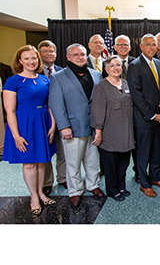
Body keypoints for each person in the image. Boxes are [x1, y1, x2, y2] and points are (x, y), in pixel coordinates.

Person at [3, 45, 57, 216]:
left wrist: (53, 125)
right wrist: (16, 135)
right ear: (20, 61)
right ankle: (33, 196)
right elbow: (10, 111)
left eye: (33, 58)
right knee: (29, 162)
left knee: (42, 161)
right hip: (24, 124)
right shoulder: (13, 81)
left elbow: (50, 104)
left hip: (43, 121)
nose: (31, 61)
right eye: (26, 58)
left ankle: (41, 192)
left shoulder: (44, 79)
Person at [49, 43, 104, 207]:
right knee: (73, 162)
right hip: (71, 127)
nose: (80, 57)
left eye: (82, 54)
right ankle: (75, 191)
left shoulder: (96, 74)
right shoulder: (58, 77)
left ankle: (93, 184)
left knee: (93, 159)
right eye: (76, 55)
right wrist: (63, 126)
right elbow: (56, 104)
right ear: (68, 57)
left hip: (93, 125)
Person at [126, 34, 160, 197]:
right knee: (143, 152)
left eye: (154, 44)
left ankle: (155, 177)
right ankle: (144, 183)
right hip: (144, 118)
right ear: (141, 47)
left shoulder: (159, 63)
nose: (152, 47)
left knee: (157, 149)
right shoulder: (135, 65)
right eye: (148, 44)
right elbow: (136, 95)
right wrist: (152, 115)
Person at [91, 56, 135, 201]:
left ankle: (121, 186)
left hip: (126, 131)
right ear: (106, 69)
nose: (116, 68)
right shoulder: (101, 86)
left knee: (124, 162)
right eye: (112, 66)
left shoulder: (125, 83)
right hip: (109, 131)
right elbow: (97, 111)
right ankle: (112, 190)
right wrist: (98, 132)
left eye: (118, 65)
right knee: (111, 164)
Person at [38, 40, 67, 195]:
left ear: (56, 54)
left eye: (51, 51)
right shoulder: (34, 72)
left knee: (63, 150)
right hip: (42, 117)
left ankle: (63, 178)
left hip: (60, 115)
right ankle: (47, 182)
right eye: (45, 51)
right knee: (46, 151)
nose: (48, 54)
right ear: (40, 54)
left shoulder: (61, 71)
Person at [113, 35, 139, 183]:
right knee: (118, 144)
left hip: (135, 110)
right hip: (117, 112)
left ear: (130, 47)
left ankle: (137, 171)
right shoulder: (108, 63)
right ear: (115, 47)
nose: (123, 47)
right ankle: (117, 175)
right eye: (120, 44)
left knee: (136, 143)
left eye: (126, 44)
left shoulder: (136, 62)